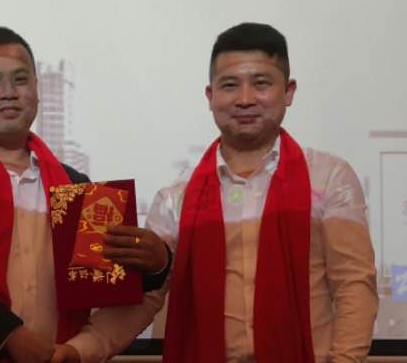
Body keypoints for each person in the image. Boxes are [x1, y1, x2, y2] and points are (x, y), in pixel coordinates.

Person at [0, 26, 167, 363]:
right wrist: (7, 335)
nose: (9, 93)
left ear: (36, 90)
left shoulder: (75, 185)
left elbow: (107, 285)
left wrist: (158, 266)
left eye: (21, 80)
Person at [147, 22, 378, 363]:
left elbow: (353, 285)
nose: (245, 99)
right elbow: (146, 298)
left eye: (261, 84)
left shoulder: (329, 178)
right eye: (230, 86)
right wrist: (81, 350)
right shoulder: (175, 198)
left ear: (288, 91)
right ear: (210, 96)